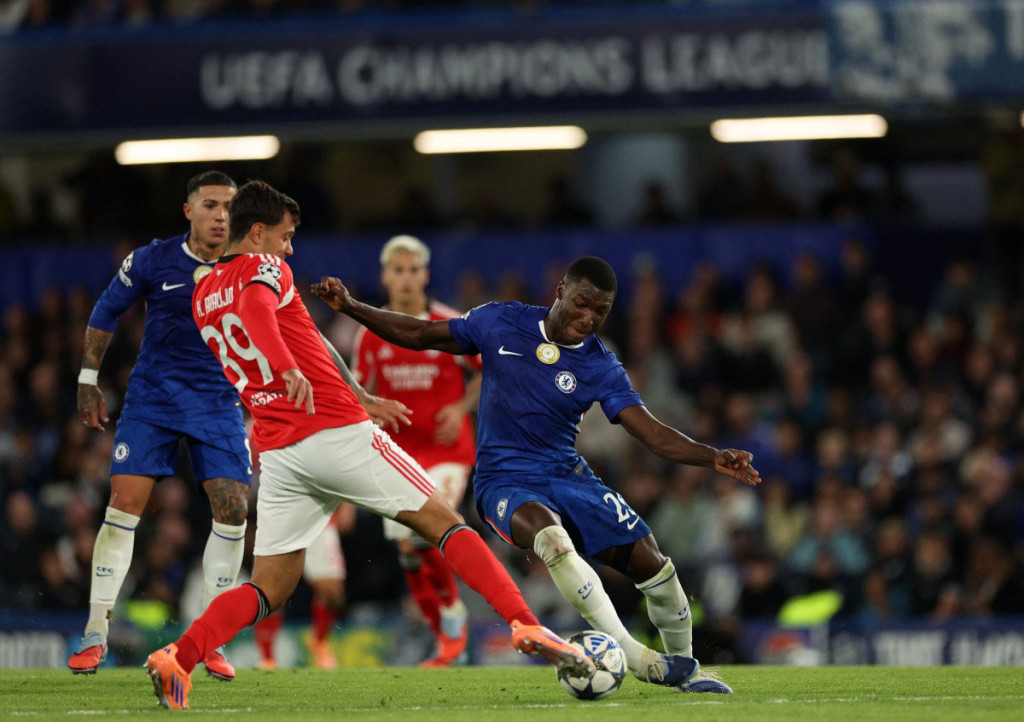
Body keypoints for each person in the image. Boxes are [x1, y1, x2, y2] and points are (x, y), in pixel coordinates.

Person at [143, 180, 596, 710]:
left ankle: (180, 655)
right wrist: (291, 370)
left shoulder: (201, 290)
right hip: (334, 433)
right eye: (286, 237)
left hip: (282, 453)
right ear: (259, 232)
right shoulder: (265, 269)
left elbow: (306, 339)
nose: (290, 250)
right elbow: (261, 314)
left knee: (271, 587)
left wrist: (361, 393)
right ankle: (525, 624)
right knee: (445, 523)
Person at [312, 255, 763, 694]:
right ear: (561, 291)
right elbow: (420, 332)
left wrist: (712, 457)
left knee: (656, 567)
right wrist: (352, 306)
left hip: (569, 476)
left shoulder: (601, 365)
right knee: (552, 541)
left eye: (600, 311)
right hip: (503, 481)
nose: (588, 318)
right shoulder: (500, 322)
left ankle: (683, 669)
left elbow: (651, 434)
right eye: (582, 304)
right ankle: (629, 653)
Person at [68, 171, 249, 682]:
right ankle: (95, 628)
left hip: (217, 402)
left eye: (229, 207)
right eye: (211, 205)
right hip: (154, 399)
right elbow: (106, 309)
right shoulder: (153, 259)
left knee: (234, 509)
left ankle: (210, 640)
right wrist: (87, 378)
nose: (221, 216)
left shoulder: (249, 268)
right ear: (188, 211)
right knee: (125, 501)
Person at [351, 234, 482, 667]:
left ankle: (452, 623)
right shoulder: (371, 333)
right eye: (398, 271)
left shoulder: (448, 324)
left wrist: (461, 405)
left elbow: (489, 371)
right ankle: (444, 638)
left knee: (431, 533)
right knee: (409, 552)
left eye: (413, 270)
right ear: (385, 277)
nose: (406, 279)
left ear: (424, 275)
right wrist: (368, 413)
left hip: (448, 452)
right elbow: (358, 389)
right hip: (399, 457)